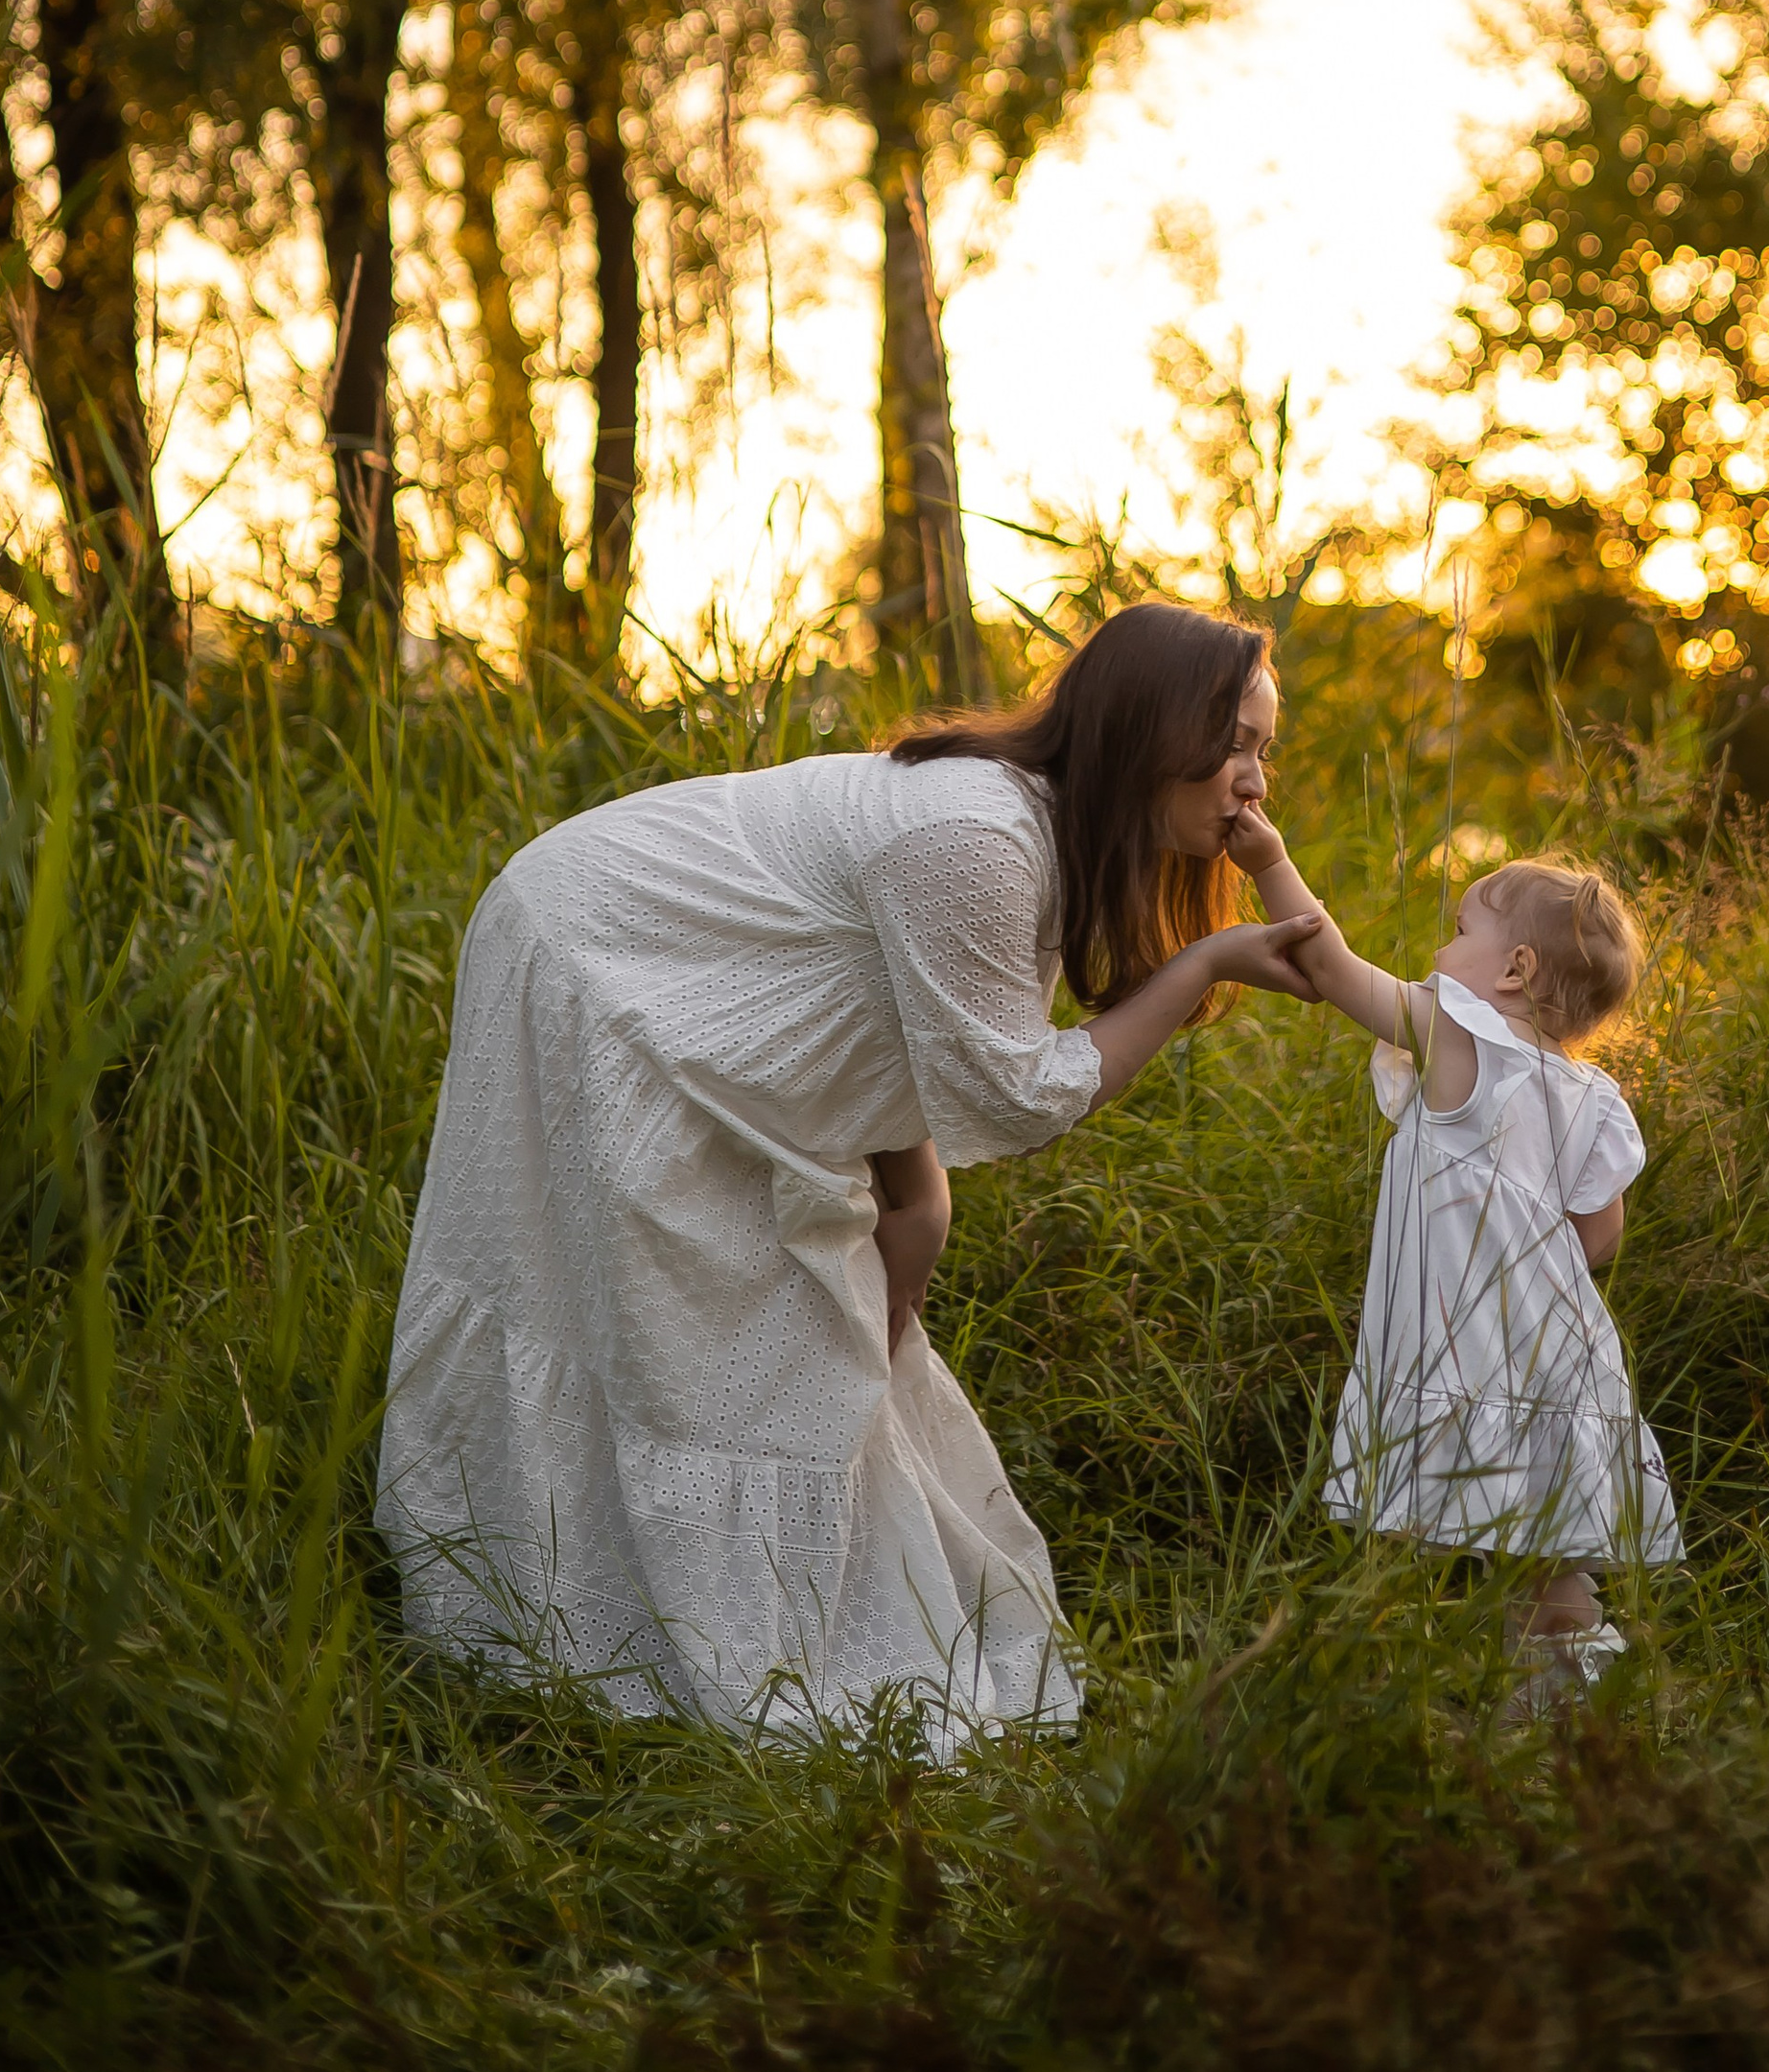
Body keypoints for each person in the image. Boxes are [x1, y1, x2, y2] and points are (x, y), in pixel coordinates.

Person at [375, 602, 1320, 1748]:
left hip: (697, 990)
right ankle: (588, 1628)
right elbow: (1015, 1095)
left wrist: (915, 1202)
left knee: (802, 1304)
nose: (1253, 782)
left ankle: (709, 1614)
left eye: (1265, 749)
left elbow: (890, 1011)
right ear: (1154, 731)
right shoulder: (975, 835)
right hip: (602, 963)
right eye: (1235, 747)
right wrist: (1207, 963)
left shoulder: (1029, 833)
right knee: (690, 1313)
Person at [1226, 813, 1681, 1701]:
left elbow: (1330, 966)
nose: (1442, 944)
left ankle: (1394, 1702)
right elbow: (1600, 1236)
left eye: (1463, 929)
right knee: (1547, 1569)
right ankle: (1572, 1706)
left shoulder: (1455, 1036)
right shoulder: (1589, 1097)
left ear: (1514, 972)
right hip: (1560, 1363)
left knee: (1416, 1546)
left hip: (1455, 1358)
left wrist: (1272, 861)